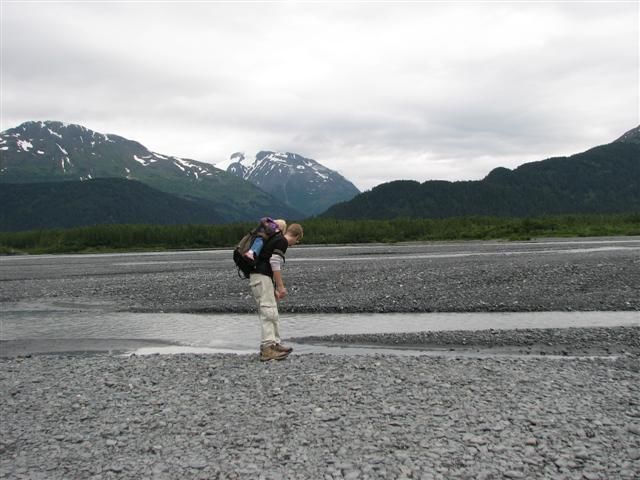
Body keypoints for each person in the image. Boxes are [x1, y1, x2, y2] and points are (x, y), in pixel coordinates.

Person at [249, 223, 303, 361]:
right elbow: (274, 262)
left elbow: (266, 261)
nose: (295, 244)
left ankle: (275, 344)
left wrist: (272, 288)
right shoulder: (282, 241)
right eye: (297, 241)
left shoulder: (276, 239)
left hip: (261, 278)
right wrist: (280, 286)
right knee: (268, 312)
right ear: (296, 236)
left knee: (271, 311)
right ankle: (267, 349)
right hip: (261, 278)